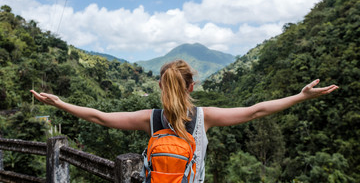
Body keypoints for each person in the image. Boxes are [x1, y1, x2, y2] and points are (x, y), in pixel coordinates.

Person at [30, 59, 339, 182]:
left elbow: (102, 118)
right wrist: (301, 96)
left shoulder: (149, 119)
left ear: (160, 87)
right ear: (192, 86)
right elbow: (257, 110)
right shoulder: (206, 117)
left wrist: (60, 103)